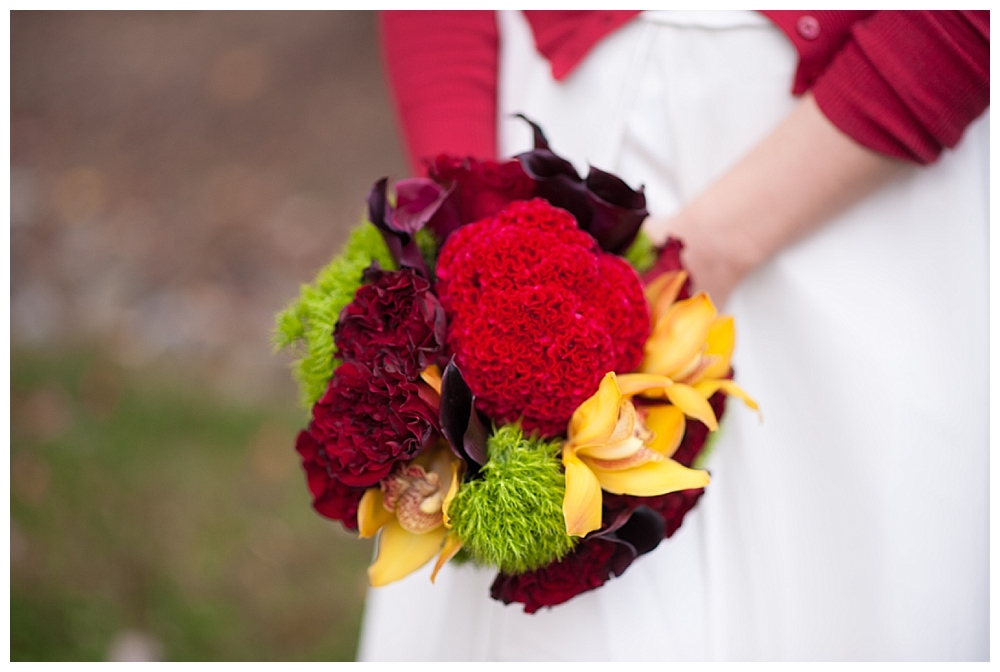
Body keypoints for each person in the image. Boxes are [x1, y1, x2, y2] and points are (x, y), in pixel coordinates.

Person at [357, 10, 989, 661]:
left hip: (843, 167)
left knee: (845, 583)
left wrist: (703, 251)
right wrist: (472, 224)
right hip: (551, 125)